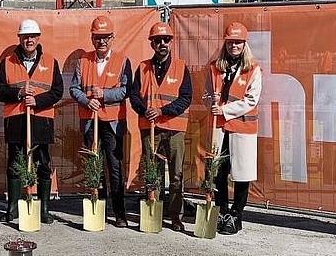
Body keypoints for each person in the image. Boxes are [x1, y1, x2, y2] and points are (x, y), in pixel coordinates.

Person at [0, 19, 63, 224]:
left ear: (38, 38)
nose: (29, 40)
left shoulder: (50, 61)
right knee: (14, 163)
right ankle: (13, 208)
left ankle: (43, 209)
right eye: (25, 37)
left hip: (41, 120)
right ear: (19, 39)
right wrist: (19, 93)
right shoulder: (8, 62)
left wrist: (38, 100)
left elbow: (57, 91)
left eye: (32, 36)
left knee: (43, 164)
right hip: (16, 120)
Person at [69, 16, 132, 227]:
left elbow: (126, 90)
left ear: (112, 38)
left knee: (114, 167)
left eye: (105, 37)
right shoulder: (83, 61)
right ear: (92, 38)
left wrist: (104, 94)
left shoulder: (122, 61)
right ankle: (99, 209)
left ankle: (120, 213)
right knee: (94, 166)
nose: (101, 42)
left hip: (112, 122)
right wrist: (87, 101)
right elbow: (74, 88)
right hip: (89, 121)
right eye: (97, 37)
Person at [130, 22, 192, 232]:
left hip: (174, 128)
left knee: (176, 174)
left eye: (165, 40)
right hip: (150, 128)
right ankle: (152, 210)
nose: (162, 44)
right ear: (152, 44)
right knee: (151, 172)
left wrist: (163, 111)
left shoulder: (181, 67)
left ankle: (175, 215)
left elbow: (186, 98)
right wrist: (143, 110)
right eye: (158, 41)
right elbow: (134, 96)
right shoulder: (142, 67)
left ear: (171, 42)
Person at [206, 22, 262, 235]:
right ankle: (221, 211)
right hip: (219, 129)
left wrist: (225, 110)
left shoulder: (253, 70)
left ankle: (236, 215)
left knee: (241, 175)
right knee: (218, 172)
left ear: (244, 44)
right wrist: (209, 103)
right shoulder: (215, 67)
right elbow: (206, 94)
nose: (234, 46)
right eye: (230, 42)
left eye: (238, 42)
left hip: (242, 129)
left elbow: (251, 100)